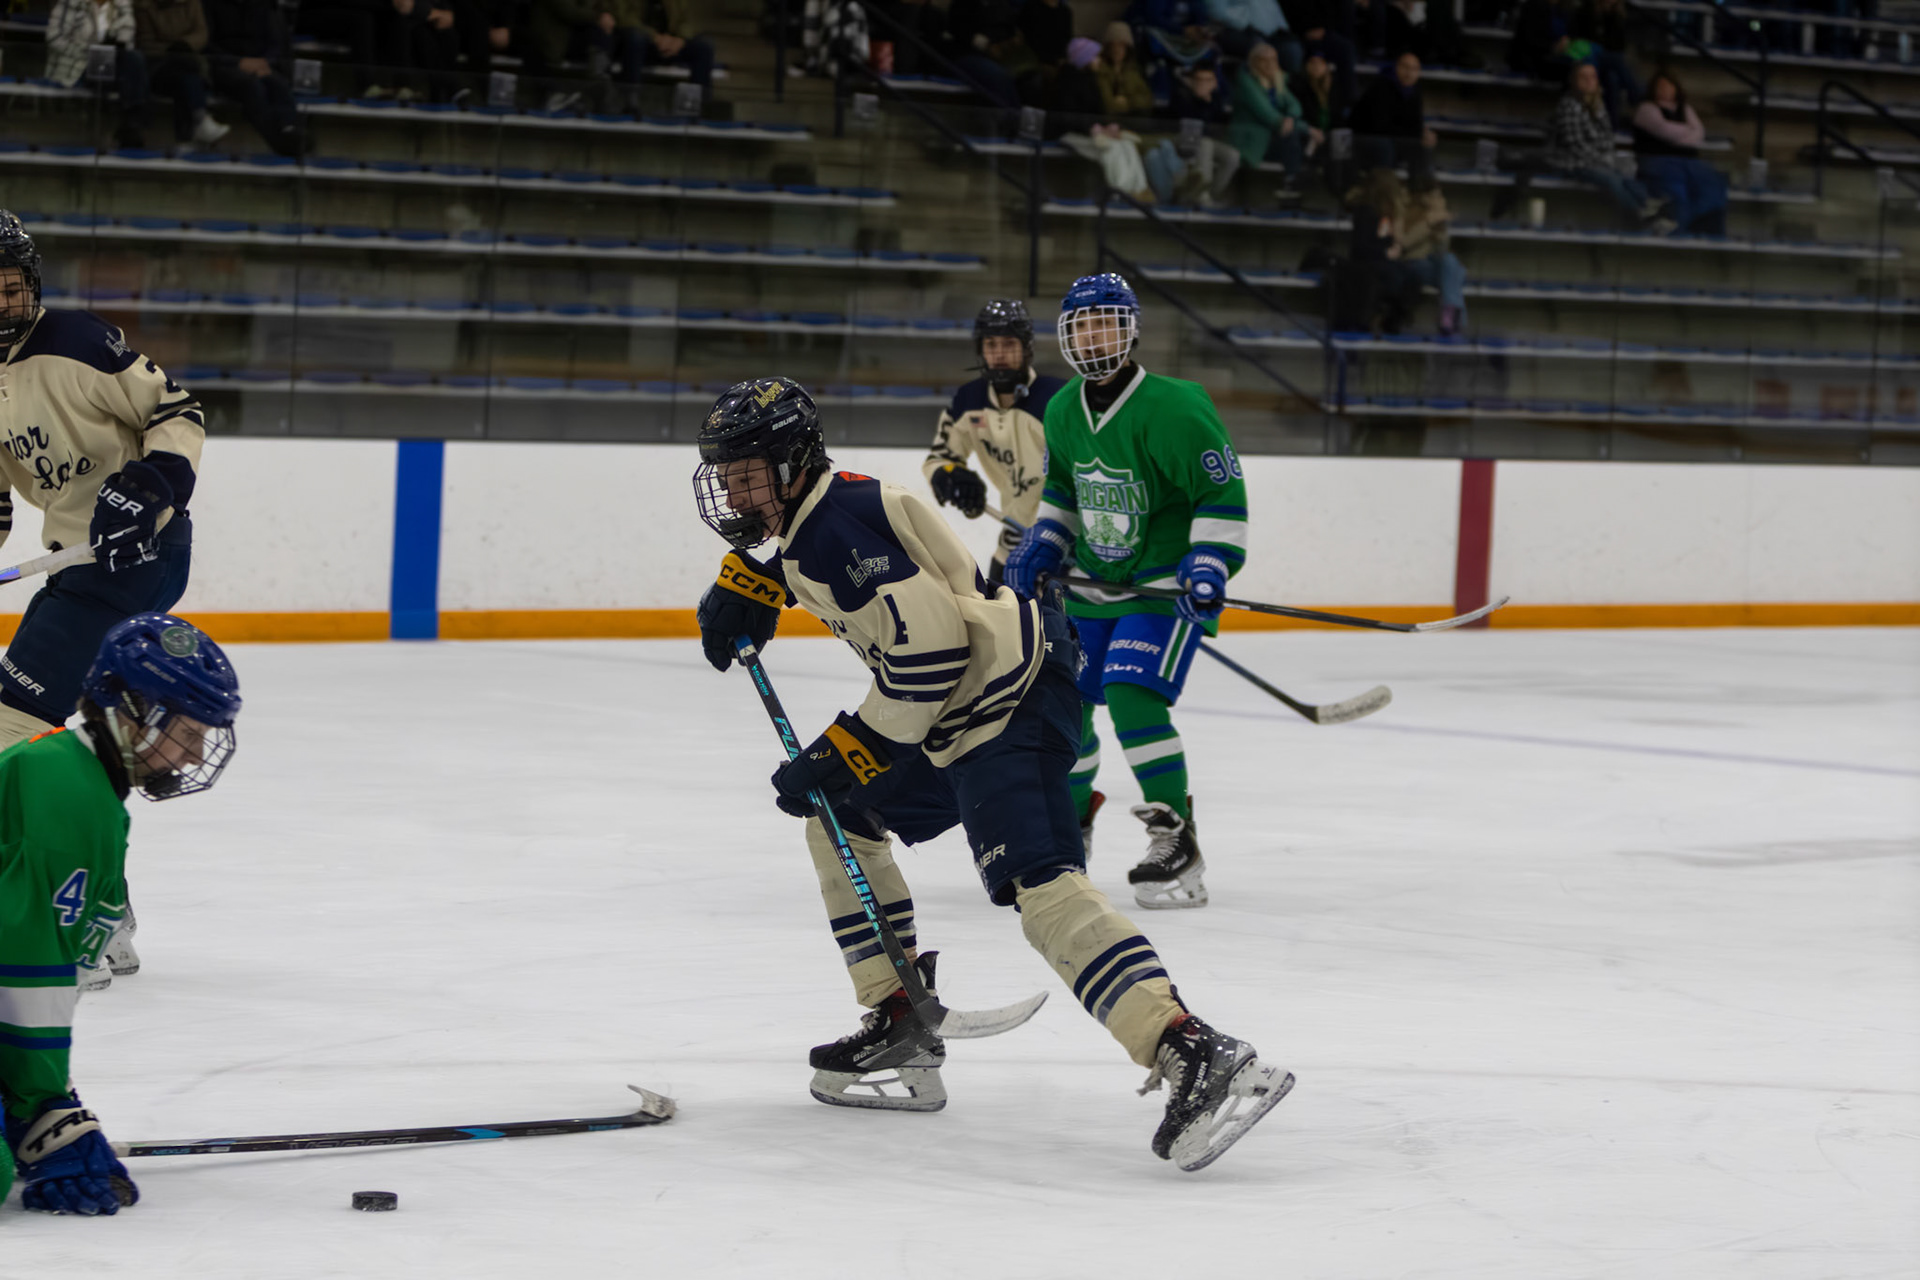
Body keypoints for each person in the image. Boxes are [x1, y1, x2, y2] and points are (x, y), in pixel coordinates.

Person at [691, 376, 1290, 1166]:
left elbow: (932, 648)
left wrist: (846, 747)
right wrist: (757, 581)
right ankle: (900, 1019)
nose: (734, 493)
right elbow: (867, 580)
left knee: (1039, 884)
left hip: (1008, 699)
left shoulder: (832, 525)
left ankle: (1191, 1048)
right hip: (956, 713)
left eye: (747, 474)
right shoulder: (819, 516)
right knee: (841, 820)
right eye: (726, 475)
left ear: (794, 463)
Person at [0, 211, 206, 989]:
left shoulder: (75, 341)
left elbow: (175, 412)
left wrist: (149, 486)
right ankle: (101, 913)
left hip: (137, 555)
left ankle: (62, 926)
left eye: (11, 288)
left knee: (13, 733)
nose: (4, 303)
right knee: (84, 747)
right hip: (78, 567)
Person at [1005, 273, 1249, 911]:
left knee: (1131, 695)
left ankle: (1176, 838)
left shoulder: (1177, 407)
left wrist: (1210, 563)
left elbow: (1219, 494)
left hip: (1163, 588)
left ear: (1131, 330)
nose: (1094, 336)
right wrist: (1045, 543)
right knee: (1067, 707)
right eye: (1082, 326)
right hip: (1093, 589)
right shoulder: (1063, 408)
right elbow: (1065, 492)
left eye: (1106, 323)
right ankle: (1068, 827)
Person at [0, 611, 241, 1216]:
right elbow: (28, 970)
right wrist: (42, 1106)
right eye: (187, 731)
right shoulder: (69, 796)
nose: (195, 754)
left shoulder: (82, 778)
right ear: (131, 711)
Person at [922, 300, 1067, 586]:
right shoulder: (968, 400)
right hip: (1013, 543)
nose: (999, 353)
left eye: (1009, 344)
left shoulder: (1057, 400)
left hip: (1063, 544)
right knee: (1001, 613)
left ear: (1026, 348)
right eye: (991, 344)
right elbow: (939, 458)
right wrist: (951, 476)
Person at [203, 0, 307, 154]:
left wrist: (265, 62)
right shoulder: (211, 5)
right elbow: (206, 44)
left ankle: (290, 129)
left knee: (279, 85)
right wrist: (238, 62)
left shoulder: (265, 5)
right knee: (252, 86)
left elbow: (276, 43)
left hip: (260, 64)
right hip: (225, 66)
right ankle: (280, 142)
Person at [1632, 69, 1727, 236]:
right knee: (1678, 193)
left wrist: (1682, 138)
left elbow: (1699, 133)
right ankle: (1677, 231)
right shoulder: (1646, 109)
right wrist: (1688, 133)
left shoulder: (1685, 109)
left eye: (1669, 86)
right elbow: (1665, 131)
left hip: (1688, 161)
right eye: (1660, 86)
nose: (1665, 90)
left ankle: (1707, 233)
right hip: (1658, 161)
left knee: (1715, 187)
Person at [46, 0, 153, 148]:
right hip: (78, 63)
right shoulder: (72, 2)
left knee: (135, 59)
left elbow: (128, 37)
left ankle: (132, 123)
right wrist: (87, 52)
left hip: (111, 62)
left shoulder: (122, 4)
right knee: (133, 77)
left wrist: (114, 45)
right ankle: (131, 126)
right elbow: (54, 37)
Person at [131, 0, 230, 147]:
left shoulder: (192, 3)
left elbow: (201, 32)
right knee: (186, 70)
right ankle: (199, 121)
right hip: (157, 65)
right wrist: (173, 50)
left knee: (185, 77)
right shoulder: (144, 5)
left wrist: (185, 44)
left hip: (187, 61)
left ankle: (189, 135)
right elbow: (146, 43)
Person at [1148, 62, 1242, 206]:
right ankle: (1202, 197)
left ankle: (1211, 193)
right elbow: (1189, 124)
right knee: (1205, 144)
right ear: (1191, 80)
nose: (1203, 83)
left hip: (1205, 140)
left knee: (1232, 156)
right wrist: (1199, 99)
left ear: (1214, 82)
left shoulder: (1215, 98)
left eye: (1208, 80)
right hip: (1180, 138)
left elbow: (1215, 124)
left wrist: (1208, 101)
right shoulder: (1181, 94)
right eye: (1199, 79)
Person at [1228, 41, 1313, 193]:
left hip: (1270, 137)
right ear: (1254, 62)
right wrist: (1307, 128)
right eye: (1264, 60)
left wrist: (1291, 118)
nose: (1270, 64)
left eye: (1273, 59)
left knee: (1300, 137)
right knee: (1293, 134)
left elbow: (1294, 105)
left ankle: (1297, 180)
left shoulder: (1277, 80)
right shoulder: (1246, 83)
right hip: (1250, 142)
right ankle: (1291, 183)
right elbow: (1268, 115)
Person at [1347, 51, 1436, 183]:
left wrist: (1424, 135)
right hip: (1363, 138)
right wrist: (1413, 133)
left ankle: (1421, 189)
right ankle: (1383, 188)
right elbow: (1379, 127)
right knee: (1384, 145)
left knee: (1422, 145)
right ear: (1397, 67)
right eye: (1405, 67)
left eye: (1414, 69)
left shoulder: (1415, 90)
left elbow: (1416, 124)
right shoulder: (1381, 86)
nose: (1409, 73)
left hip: (1393, 138)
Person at [1397, 171, 1467, 333]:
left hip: (1433, 263)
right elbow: (1403, 244)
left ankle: (1449, 317)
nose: (1441, 200)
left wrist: (1440, 228)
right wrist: (1427, 223)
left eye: (1441, 196)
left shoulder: (1437, 216)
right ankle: (1456, 323)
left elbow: (1442, 250)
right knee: (1456, 273)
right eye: (1436, 196)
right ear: (1423, 197)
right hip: (1411, 263)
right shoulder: (1403, 212)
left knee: (1450, 262)